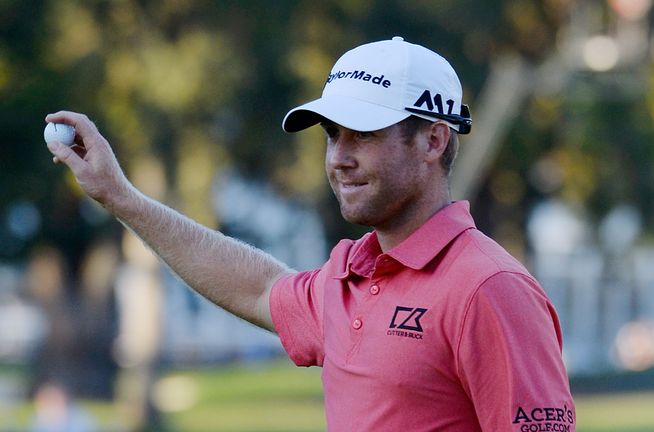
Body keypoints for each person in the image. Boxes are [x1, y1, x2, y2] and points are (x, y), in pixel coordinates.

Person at [45, 37, 576, 431]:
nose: (340, 158)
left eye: (364, 135)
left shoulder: (489, 289)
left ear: (434, 140)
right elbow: (256, 286)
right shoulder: (350, 278)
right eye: (332, 135)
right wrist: (121, 197)